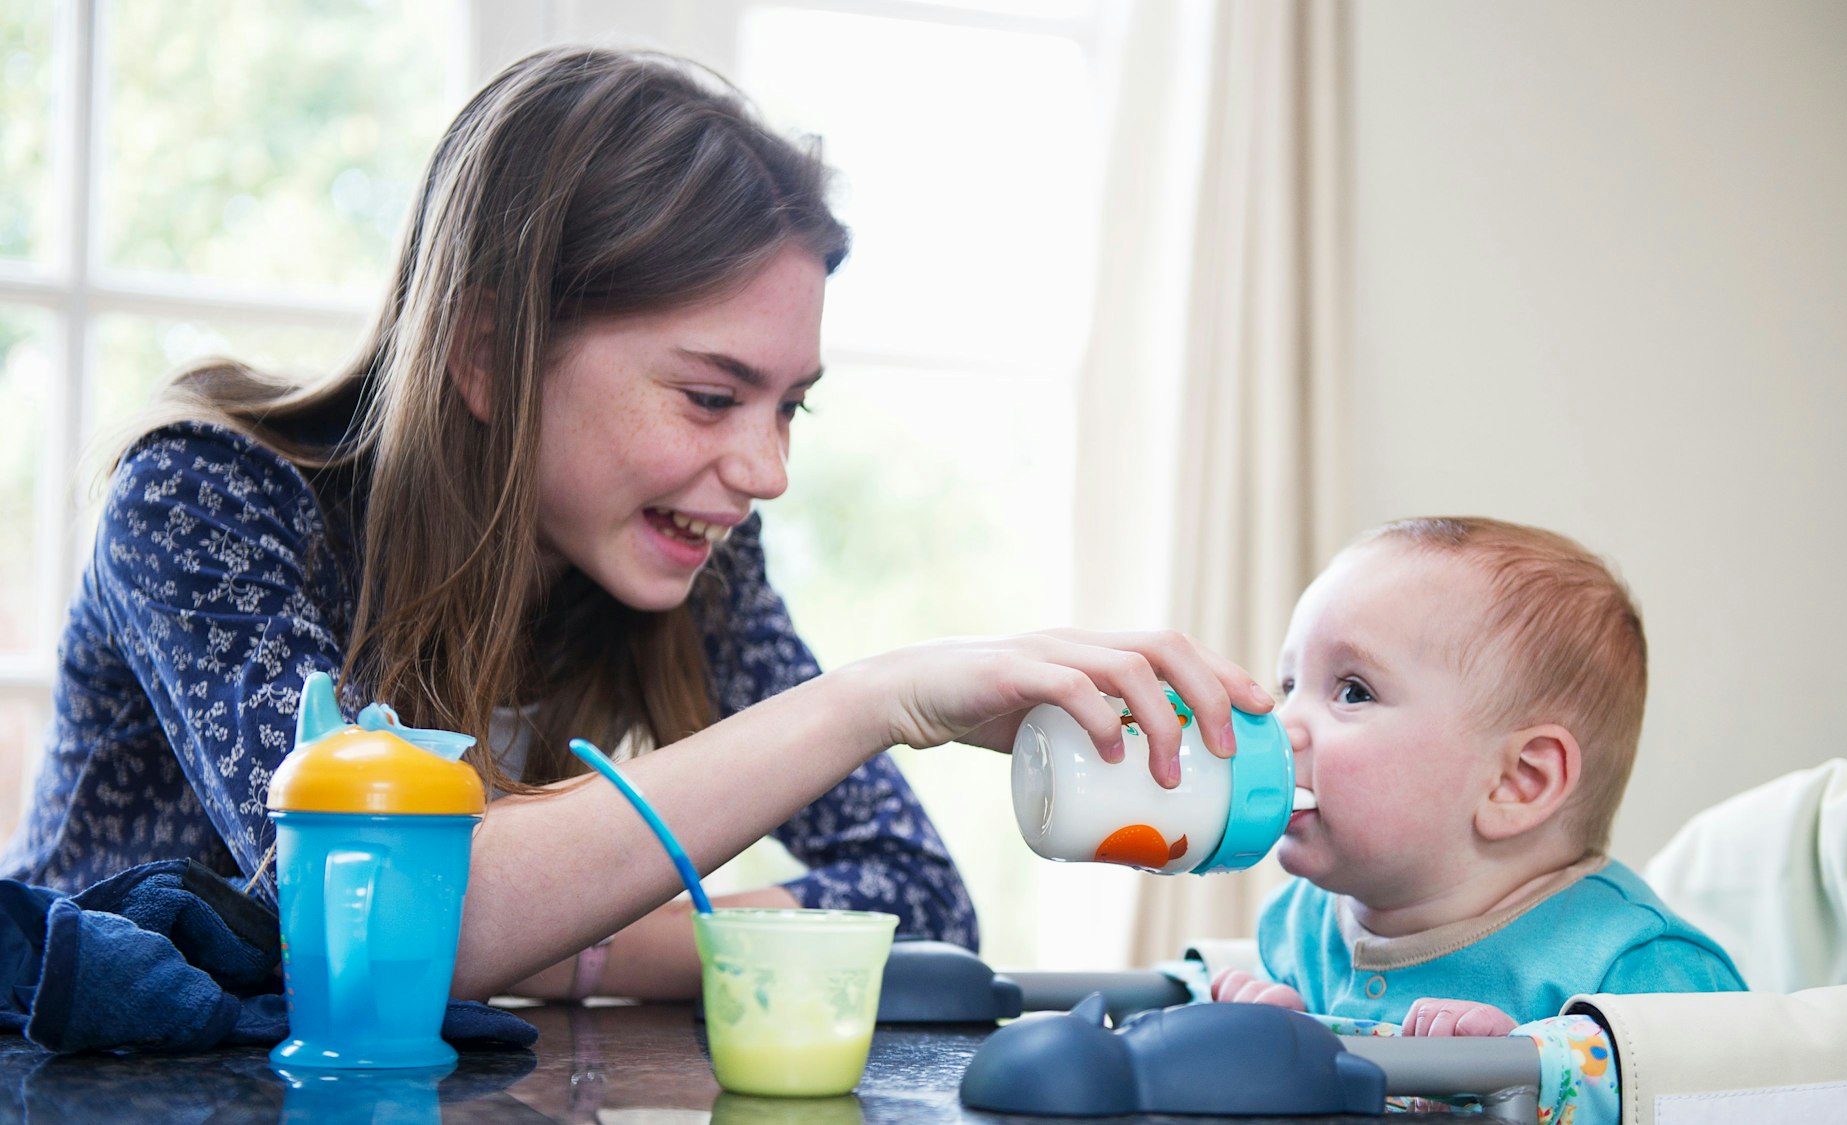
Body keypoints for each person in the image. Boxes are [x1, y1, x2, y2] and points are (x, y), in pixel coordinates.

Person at [0, 46, 1269, 1003]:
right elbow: (381, 920)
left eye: (790, 408)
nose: (764, 471)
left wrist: (570, 944)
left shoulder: (680, 548)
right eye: (712, 397)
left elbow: (917, 904)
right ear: (487, 353)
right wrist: (871, 701)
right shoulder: (208, 504)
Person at [1210, 517, 1744, 1035]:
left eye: (1353, 692)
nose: (1282, 726)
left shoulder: (1639, 973)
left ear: (1517, 782)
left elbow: (1735, 1082)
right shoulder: (1296, 924)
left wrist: (1531, 1074)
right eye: (1288, 686)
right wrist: (1279, 1028)